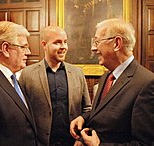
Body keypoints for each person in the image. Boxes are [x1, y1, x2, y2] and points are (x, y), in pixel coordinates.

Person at [70, 18, 154, 146]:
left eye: (97, 41)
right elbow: (102, 114)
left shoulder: (146, 83)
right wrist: (84, 118)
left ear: (117, 43)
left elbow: (144, 144)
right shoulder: (107, 77)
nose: (93, 48)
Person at [19, 26, 92, 146]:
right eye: (57, 42)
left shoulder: (77, 73)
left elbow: (87, 110)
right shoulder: (27, 74)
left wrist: (81, 139)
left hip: (72, 143)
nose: (63, 47)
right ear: (44, 45)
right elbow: (22, 114)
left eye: (65, 42)